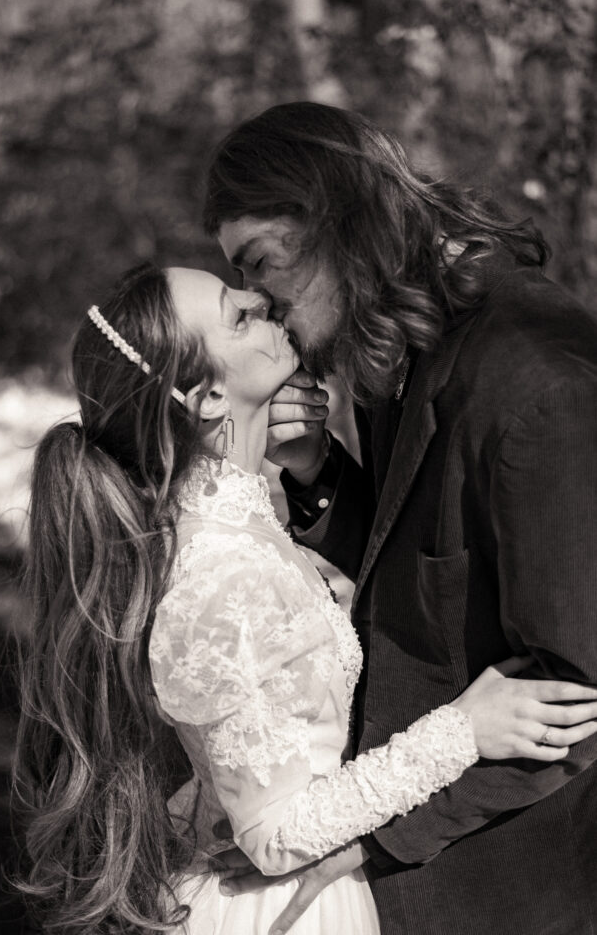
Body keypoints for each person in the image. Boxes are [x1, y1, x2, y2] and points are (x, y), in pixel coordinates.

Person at [13, 263, 597, 935]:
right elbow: (273, 833)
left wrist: (308, 459)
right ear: (205, 398)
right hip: (287, 909)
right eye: (238, 315)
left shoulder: (236, 519)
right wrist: (463, 730)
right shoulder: (219, 572)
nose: (264, 298)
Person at [203, 101, 597, 935]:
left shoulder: (538, 385)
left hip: (514, 889)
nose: (258, 301)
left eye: (262, 263)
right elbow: (408, 588)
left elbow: (579, 694)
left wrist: (371, 833)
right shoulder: (409, 340)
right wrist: (316, 471)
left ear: (335, 218)